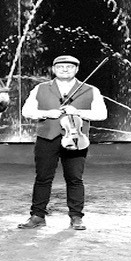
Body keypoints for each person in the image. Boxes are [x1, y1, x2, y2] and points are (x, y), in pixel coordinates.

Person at [18, 55, 108, 230]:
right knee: (43, 178)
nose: (65, 70)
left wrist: (78, 111)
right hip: (47, 138)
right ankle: (37, 216)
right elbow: (26, 111)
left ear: (77, 69)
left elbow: (102, 114)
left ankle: (76, 217)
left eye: (69, 67)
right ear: (54, 69)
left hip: (76, 139)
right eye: (60, 67)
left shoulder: (91, 90)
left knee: (74, 179)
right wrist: (47, 113)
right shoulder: (40, 88)